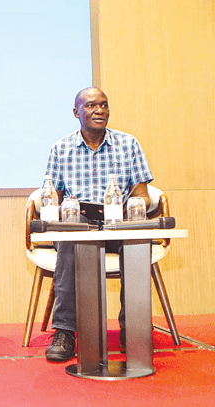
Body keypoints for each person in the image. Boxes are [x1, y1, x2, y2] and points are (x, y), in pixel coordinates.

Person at [43, 87, 153, 362]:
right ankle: (66, 331)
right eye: (91, 106)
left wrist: (127, 210)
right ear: (76, 112)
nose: (99, 110)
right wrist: (64, 213)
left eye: (104, 105)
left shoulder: (128, 144)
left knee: (138, 241)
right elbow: (52, 195)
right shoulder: (61, 148)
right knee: (71, 239)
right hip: (78, 222)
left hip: (118, 222)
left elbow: (141, 194)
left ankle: (134, 330)